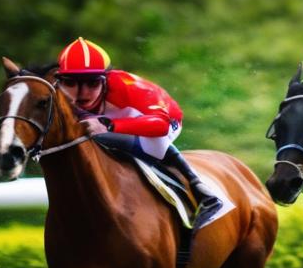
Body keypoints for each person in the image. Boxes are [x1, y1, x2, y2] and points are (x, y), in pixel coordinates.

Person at [55, 37, 221, 224]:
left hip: (161, 122)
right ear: (59, 81)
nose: (82, 93)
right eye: (70, 83)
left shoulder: (129, 87)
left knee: (152, 143)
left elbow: (160, 126)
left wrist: (108, 125)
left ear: (105, 79)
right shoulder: (56, 91)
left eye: (92, 83)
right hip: (113, 122)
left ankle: (201, 190)